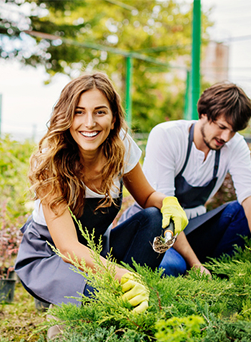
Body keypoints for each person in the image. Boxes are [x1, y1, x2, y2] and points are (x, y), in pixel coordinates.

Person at [15, 72, 188, 313]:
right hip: (51, 253)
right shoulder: (51, 161)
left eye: (100, 111)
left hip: (97, 250)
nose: (89, 123)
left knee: (154, 217)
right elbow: (67, 248)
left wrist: (169, 202)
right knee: (103, 297)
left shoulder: (121, 146)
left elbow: (148, 198)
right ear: (66, 116)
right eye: (79, 112)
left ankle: (134, 297)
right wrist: (121, 275)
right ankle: (67, 312)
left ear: (113, 117)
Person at [119, 82, 251, 277]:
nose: (226, 137)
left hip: (193, 228)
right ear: (204, 115)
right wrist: (195, 264)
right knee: (171, 267)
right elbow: (165, 211)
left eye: (233, 131)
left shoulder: (234, 144)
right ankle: (193, 267)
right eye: (222, 127)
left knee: (240, 211)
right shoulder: (167, 135)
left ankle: (220, 273)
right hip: (157, 227)